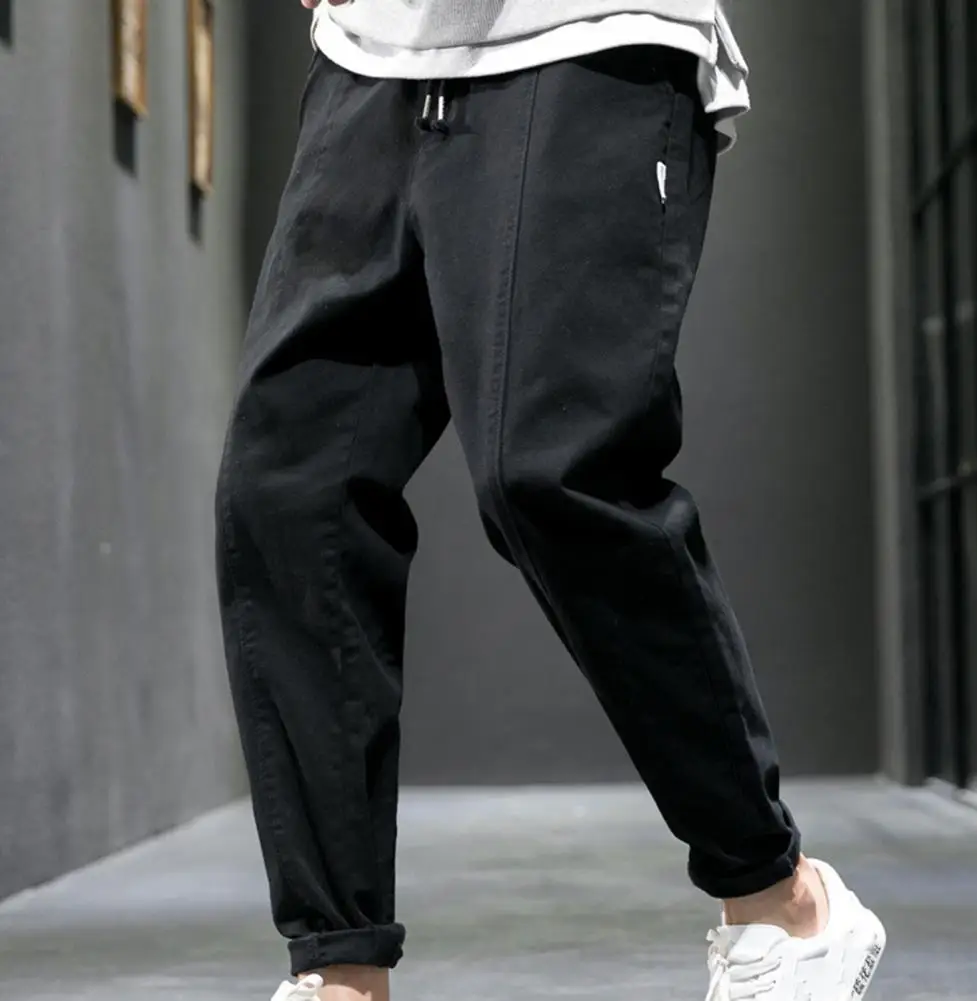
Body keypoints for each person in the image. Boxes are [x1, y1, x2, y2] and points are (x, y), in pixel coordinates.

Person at [214, 1, 886, 999]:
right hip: (372, 60)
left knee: (551, 473)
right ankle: (339, 970)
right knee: (286, 492)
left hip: (582, 35)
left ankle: (780, 900)